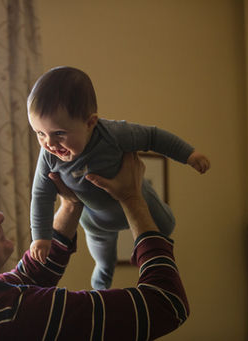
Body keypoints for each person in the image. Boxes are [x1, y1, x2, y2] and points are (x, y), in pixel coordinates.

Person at [0, 152, 189, 340]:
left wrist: (70, 205)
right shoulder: (16, 316)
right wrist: (132, 199)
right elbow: (166, 304)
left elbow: (27, 276)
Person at [28, 66, 210, 289]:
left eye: (59, 133)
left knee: (166, 226)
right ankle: (100, 288)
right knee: (104, 260)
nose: (49, 143)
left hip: (137, 197)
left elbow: (153, 137)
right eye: (39, 133)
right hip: (96, 220)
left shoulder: (113, 135)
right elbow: (41, 195)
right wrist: (41, 237)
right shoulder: (48, 156)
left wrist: (189, 154)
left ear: (90, 123)